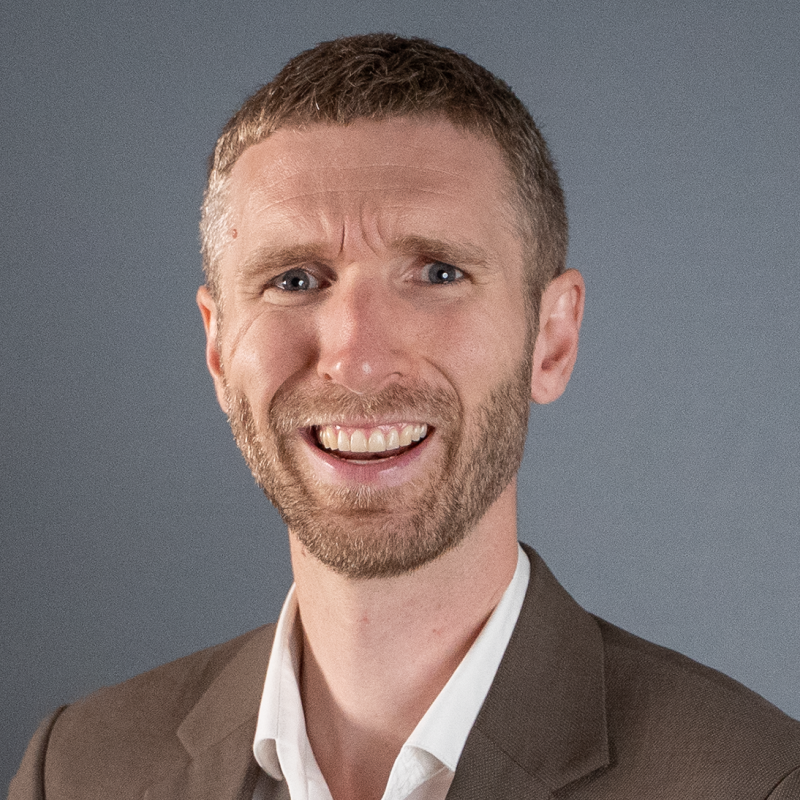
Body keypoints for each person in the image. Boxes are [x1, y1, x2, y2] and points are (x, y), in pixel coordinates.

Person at [10, 33, 800, 800]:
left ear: (551, 341)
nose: (357, 360)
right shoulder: (78, 771)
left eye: (438, 273)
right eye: (294, 280)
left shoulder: (754, 782)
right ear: (219, 349)